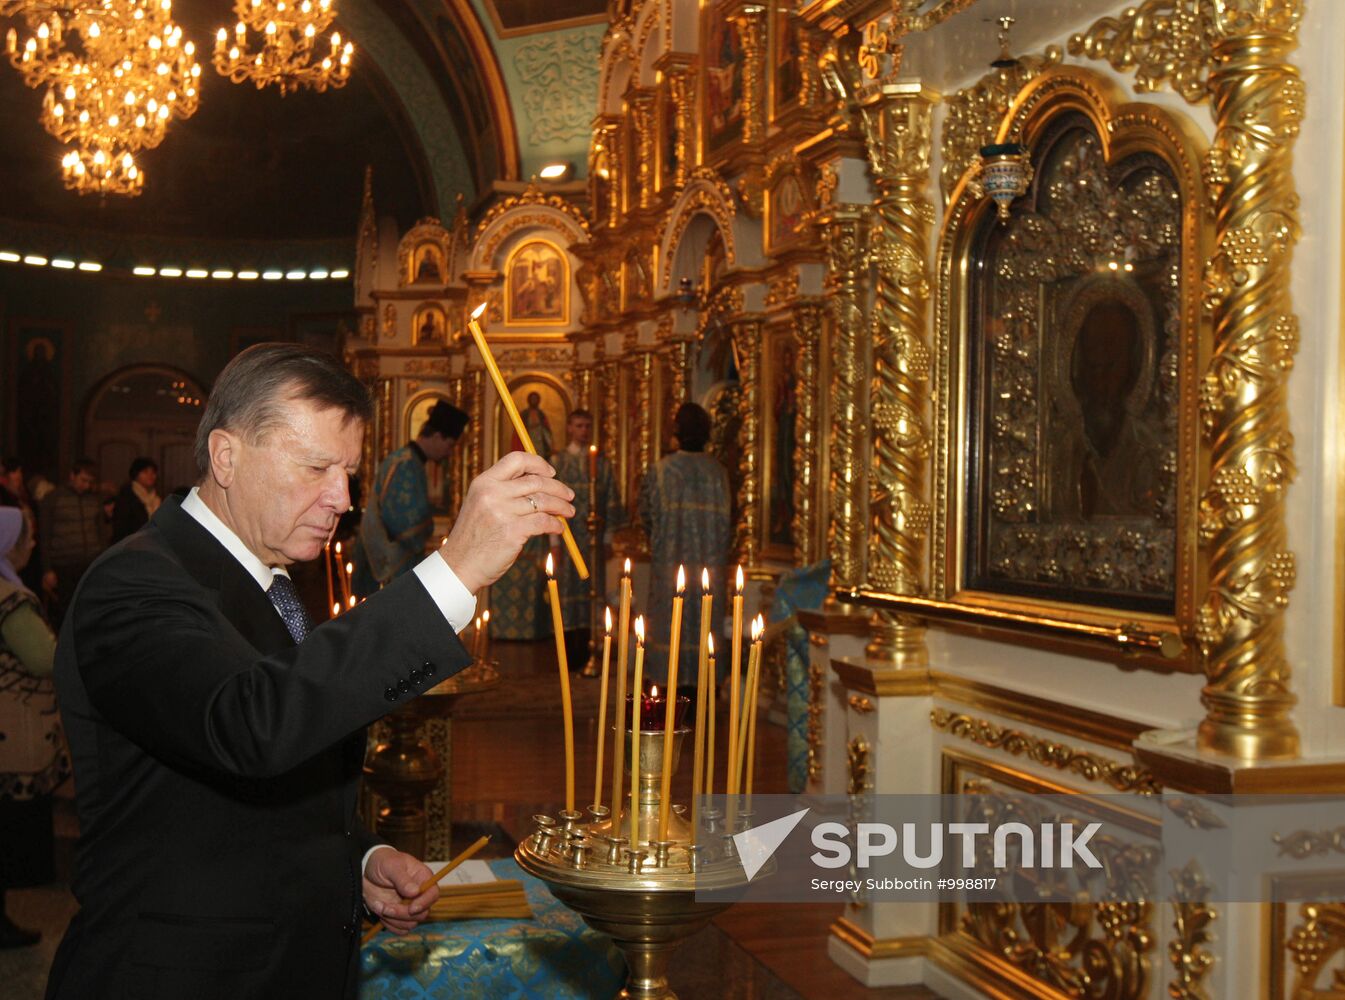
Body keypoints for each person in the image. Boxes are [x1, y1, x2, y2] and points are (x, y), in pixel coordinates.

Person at [46, 344, 574, 999]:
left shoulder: (276, 581)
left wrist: (357, 860)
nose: (342, 498)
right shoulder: (135, 583)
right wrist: (455, 567)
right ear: (226, 456)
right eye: (317, 467)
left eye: (348, 472)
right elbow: (250, 723)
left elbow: (273, 785)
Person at [0, 507, 66, 950]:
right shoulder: (10, 599)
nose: (32, 546)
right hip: (13, 725)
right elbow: (44, 658)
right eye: (26, 538)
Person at [637, 402, 731, 695]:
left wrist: (665, 541)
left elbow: (646, 515)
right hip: (710, 566)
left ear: (676, 431)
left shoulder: (661, 471)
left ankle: (666, 693)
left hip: (669, 565)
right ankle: (705, 692)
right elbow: (731, 521)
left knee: (669, 622)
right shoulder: (718, 472)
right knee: (705, 620)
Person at [350, 400, 469, 597]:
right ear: (437, 436)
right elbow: (400, 522)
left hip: (397, 562)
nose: (449, 453)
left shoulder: (410, 461)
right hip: (386, 565)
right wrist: (428, 526)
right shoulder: (405, 464)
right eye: (449, 445)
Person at [549, 409, 626, 670]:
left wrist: (606, 538)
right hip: (567, 539)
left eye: (587, 426)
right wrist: (555, 543)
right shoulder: (557, 462)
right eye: (579, 426)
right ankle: (570, 654)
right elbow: (551, 504)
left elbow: (611, 502)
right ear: (569, 428)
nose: (583, 431)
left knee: (594, 593)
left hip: (593, 541)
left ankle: (593, 648)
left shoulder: (602, 464)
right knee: (568, 593)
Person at [38, 458, 104, 628]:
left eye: (90, 482)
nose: (86, 486)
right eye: (83, 480)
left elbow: (100, 531)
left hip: (90, 562)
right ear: (72, 476)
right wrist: (47, 569)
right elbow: (44, 535)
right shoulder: (53, 498)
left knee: (89, 611)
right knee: (65, 612)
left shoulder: (94, 499)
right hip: (64, 564)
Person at [110, 457, 161, 543]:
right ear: (136, 474)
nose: (150, 476)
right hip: (133, 543)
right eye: (145, 472)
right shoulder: (127, 496)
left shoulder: (157, 497)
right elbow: (121, 527)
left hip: (154, 543)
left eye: (153, 472)